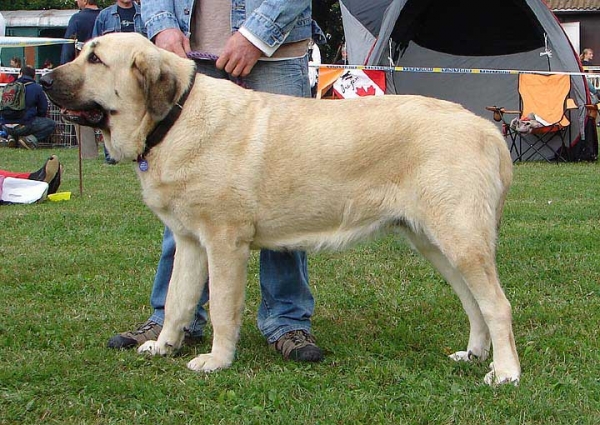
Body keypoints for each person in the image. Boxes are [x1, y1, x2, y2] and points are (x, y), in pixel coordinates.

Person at [108, 0, 327, 363]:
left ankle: (287, 321)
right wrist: (162, 25)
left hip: (275, 49)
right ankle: (174, 321)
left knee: (289, 193)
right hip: (187, 51)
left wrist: (257, 34)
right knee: (185, 200)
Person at [92, 0, 146, 165]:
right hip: (109, 77)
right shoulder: (104, 16)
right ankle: (111, 155)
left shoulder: (145, 14)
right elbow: (94, 47)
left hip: (136, 78)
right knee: (108, 112)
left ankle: (141, 151)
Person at [0, 66, 56, 150]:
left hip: (5, 126)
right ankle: (28, 140)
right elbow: (43, 109)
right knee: (51, 124)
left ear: (20, 74)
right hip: (23, 126)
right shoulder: (36, 88)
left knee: (17, 121)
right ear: (34, 76)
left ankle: (11, 137)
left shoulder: (9, 86)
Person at [60, 0, 101, 65]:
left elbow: (68, 49)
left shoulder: (76, 19)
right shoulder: (106, 17)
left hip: (82, 66)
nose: (76, 1)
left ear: (85, 1)